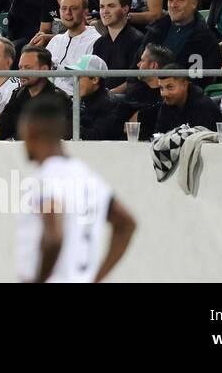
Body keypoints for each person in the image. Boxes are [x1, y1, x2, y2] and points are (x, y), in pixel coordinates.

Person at [17, 97, 136, 283]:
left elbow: (53, 237)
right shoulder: (89, 177)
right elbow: (126, 223)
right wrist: (96, 278)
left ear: (31, 132)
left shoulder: (46, 178)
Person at [0, 46, 73, 139]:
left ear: (44, 70)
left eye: (27, 68)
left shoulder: (59, 99)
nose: (21, 72)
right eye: (20, 67)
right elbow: (2, 126)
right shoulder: (18, 94)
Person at [93, 0, 146, 70]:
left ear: (125, 9)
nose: (105, 11)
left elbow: (134, 79)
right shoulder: (99, 44)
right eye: (102, 7)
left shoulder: (137, 40)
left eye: (111, 6)